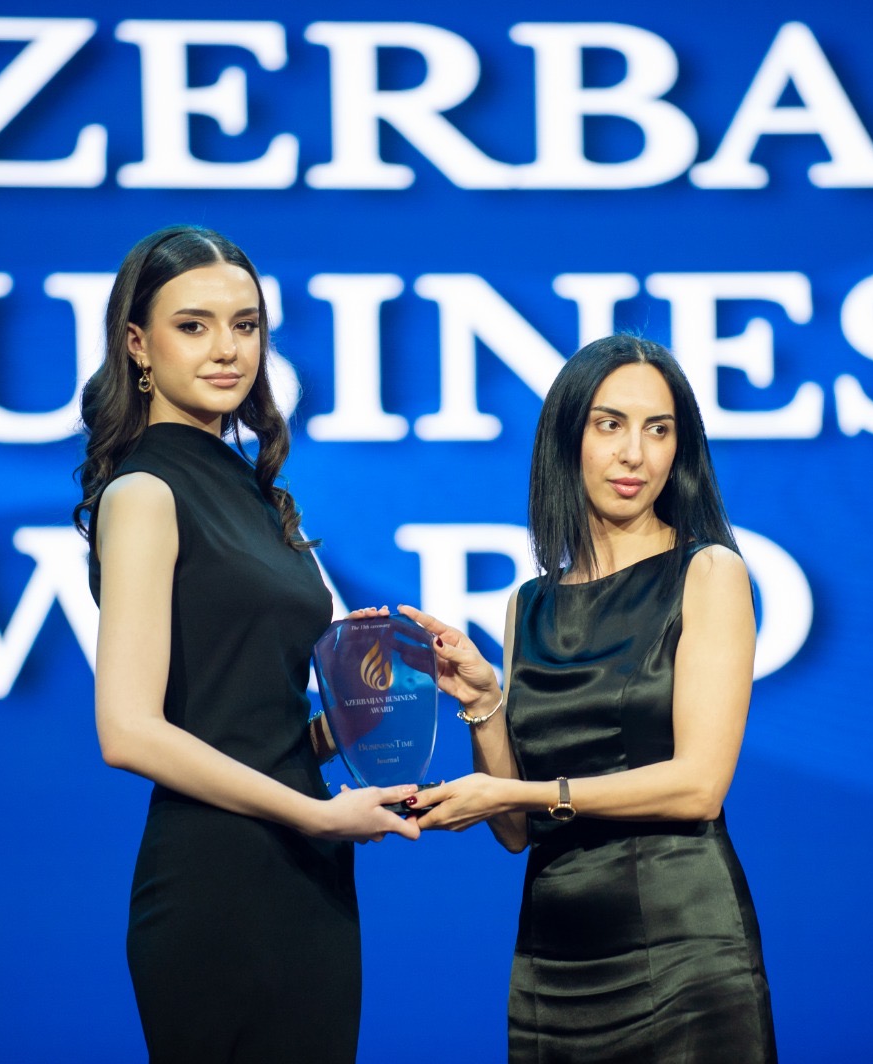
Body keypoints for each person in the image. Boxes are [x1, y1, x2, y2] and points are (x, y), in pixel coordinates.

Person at [74, 225, 418, 1063]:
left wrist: (382, 698)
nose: (227, 349)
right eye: (193, 325)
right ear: (137, 344)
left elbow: (254, 727)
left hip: (307, 876)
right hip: (217, 880)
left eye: (246, 325)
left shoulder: (256, 492)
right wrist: (317, 813)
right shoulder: (144, 492)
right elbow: (128, 731)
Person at [400, 335, 776, 1063]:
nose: (635, 454)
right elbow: (516, 831)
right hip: (554, 964)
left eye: (658, 429)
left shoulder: (708, 572)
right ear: (568, 438)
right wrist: (485, 704)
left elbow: (699, 787)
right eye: (610, 425)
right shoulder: (529, 604)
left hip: (684, 953)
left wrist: (521, 792)